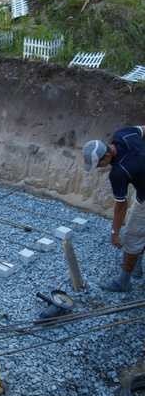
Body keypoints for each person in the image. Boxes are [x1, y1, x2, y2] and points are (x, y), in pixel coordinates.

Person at [83, 125, 145, 292]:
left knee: (132, 236)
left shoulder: (118, 172)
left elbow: (121, 206)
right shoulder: (124, 134)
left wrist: (115, 233)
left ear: (108, 154)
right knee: (137, 223)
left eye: (99, 164)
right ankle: (137, 265)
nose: (99, 167)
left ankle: (124, 281)